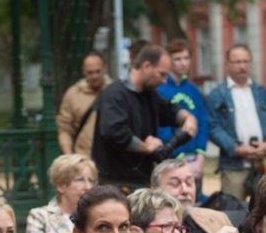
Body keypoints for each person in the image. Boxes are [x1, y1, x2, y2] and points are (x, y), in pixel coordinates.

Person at [92, 44, 198, 191]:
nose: (164, 80)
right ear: (146, 66)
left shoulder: (149, 94)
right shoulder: (115, 95)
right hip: (115, 183)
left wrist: (188, 118)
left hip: (141, 180)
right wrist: (145, 147)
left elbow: (169, 110)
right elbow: (113, 131)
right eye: (162, 74)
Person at [207, 44, 266, 200]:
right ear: (227, 65)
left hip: (264, 164)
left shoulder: (261, 92)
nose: (242, 66)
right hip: (233, 166)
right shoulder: (217, 94)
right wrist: (236, 148)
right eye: (237, 62)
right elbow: (212, 126)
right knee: (233, 213)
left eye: (245, 61)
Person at [150, 158, 237, 233]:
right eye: (175, 184)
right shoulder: (148, 229)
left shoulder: (217, 217)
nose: (185, 190)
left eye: (189, 183)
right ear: (153, 190)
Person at [26, 153, 96, 233]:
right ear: (61, 185)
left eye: (91, 181)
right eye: (80, 180)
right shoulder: (40, 216)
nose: (88, 187)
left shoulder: (97, 215)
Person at [156, 39, 208, 159]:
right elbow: (162, 127)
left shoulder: (194, 90)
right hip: (172, 156)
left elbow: (202, 122)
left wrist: (200, 155)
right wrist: (177, 154)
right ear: (169, 61)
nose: (183, 63)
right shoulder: (160, 90)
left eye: (186, 58)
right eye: (178, 59)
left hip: (195, 158)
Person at [56, 52, 108, 157]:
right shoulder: (73, 94)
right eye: (90, 72)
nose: (94, 76)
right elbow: (64, 129)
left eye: (98, 71)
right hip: (84, 159)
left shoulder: (116, 92)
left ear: (105, 69)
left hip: (112, 161)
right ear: (83, 71)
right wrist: (69, 156)